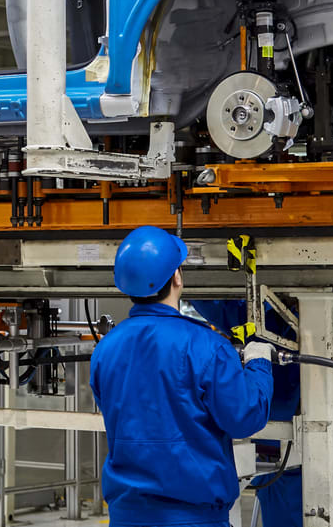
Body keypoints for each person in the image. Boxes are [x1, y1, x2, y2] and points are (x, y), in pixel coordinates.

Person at [91, 226, 275, 527]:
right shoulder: (207, 346)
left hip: (126, 517)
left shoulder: (106, 348)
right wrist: (258, 363)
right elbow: (244, 418)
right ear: (177, 277)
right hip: (193, 518)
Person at [192, 295, 333, 527]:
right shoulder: (257, 316)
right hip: (277, 463)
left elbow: (206, 298)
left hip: (313, 457)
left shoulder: (317, 307)